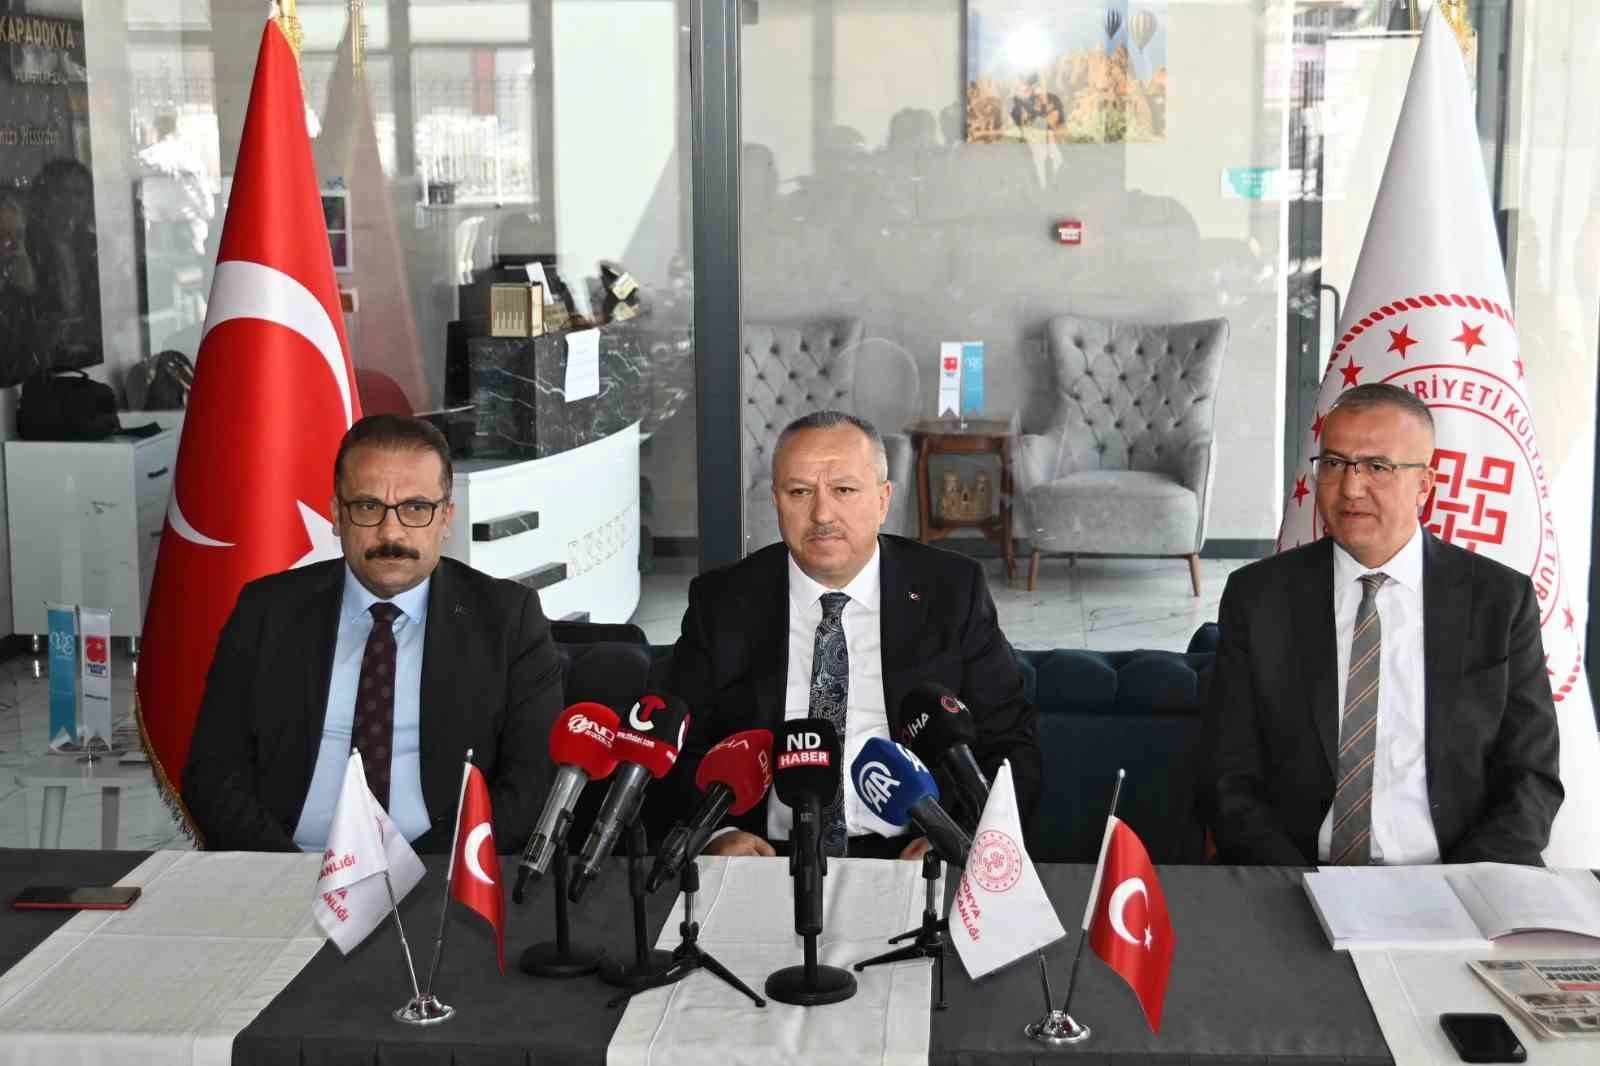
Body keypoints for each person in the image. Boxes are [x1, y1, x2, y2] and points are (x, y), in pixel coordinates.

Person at [1205, 384, 1562, 866]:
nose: (1351, 488)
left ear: (1425, 485)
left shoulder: (1498, 601)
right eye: (1334, 464)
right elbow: (1227, 777)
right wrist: (1298, 884)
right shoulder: (1259, 597)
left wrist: (1458, 886)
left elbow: (1532, 778)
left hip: (1455, 876)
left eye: (1377, 467)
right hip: (1294, 875)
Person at [663, 410, 1040, 859]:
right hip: (764, 855)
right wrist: (717, 834)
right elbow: (673, 749)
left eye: (844, 490)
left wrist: (961, 835)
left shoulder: (952, 591)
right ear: (776, 500)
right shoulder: (722, 601)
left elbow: (1010, 743)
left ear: (883, 499)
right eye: (800, 492)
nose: (822, 514)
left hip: (914, 853)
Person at [182, 415, 564, 852]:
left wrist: (420, 874)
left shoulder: (508, 619)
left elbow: (531, 787)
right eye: (367, 507)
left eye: (416, 508)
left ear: (446, 518)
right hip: (289, 863)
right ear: (336, 515)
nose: (391, 532)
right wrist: (287, 872)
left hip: (442, 868)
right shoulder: (267, 611)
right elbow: (214, 775)